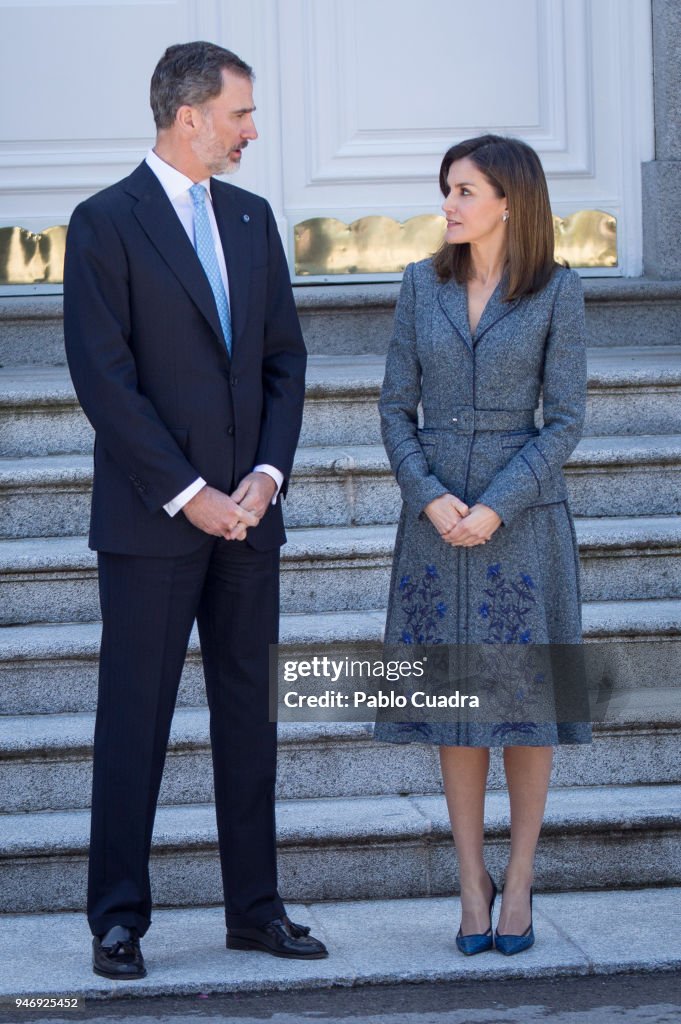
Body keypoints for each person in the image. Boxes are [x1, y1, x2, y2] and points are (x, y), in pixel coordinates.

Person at [63, 40, 327, 979]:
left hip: (251, 519)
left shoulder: (255, 220)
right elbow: (105, 380)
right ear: (189, 117)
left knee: (250, 717)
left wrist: (264, 477)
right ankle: (117, 921)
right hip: (153, 521)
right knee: (134, 717)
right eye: (240, 114)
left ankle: (256, 911)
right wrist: (191, 494)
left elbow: (284, 364)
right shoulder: (103, 222)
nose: (252, 131)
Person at [376, 135, 590, 956]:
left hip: (523, 525)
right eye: (447, 189)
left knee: (526, 712)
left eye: (465, 190)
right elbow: (396, 407)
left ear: (509, 200)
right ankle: (471, 882)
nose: (450, 204)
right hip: (434, 529)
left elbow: (565, 420)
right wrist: (430, 498)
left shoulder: (556, 292)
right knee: (454, 712)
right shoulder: (418, 285)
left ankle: (521, 877)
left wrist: (495, 506)